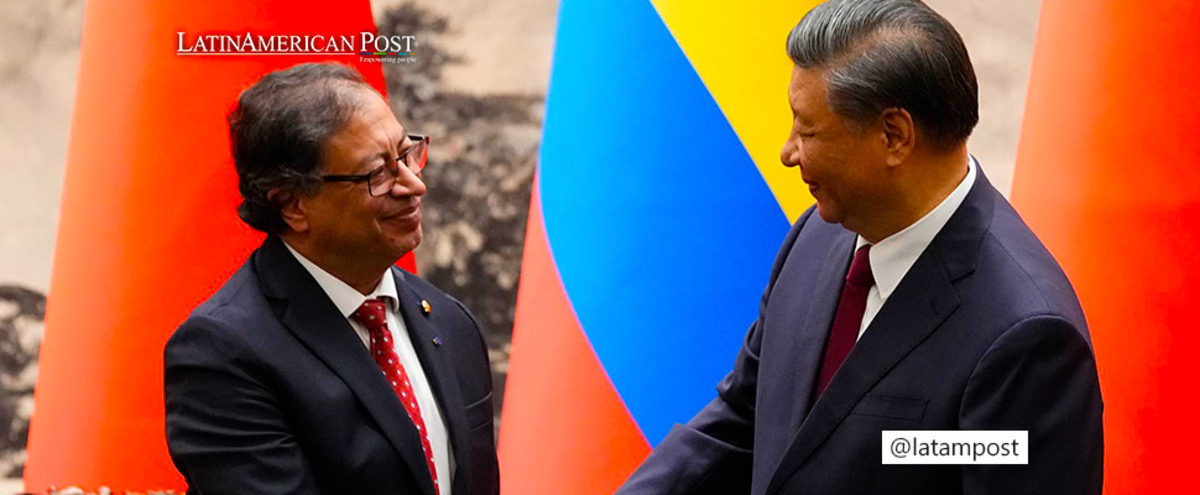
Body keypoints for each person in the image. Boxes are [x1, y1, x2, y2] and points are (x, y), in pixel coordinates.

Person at [617, 1, 1103, 493]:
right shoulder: (817, 236)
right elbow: (746, 416)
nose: (788, 152)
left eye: (807, 131)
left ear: (894, 135)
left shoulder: (1026, 339)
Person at [164, 62, 499, 495]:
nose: (414, 185)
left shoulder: (451, 323)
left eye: (406, 153)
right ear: (293, 206)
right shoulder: (223, 353)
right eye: (377, 173)